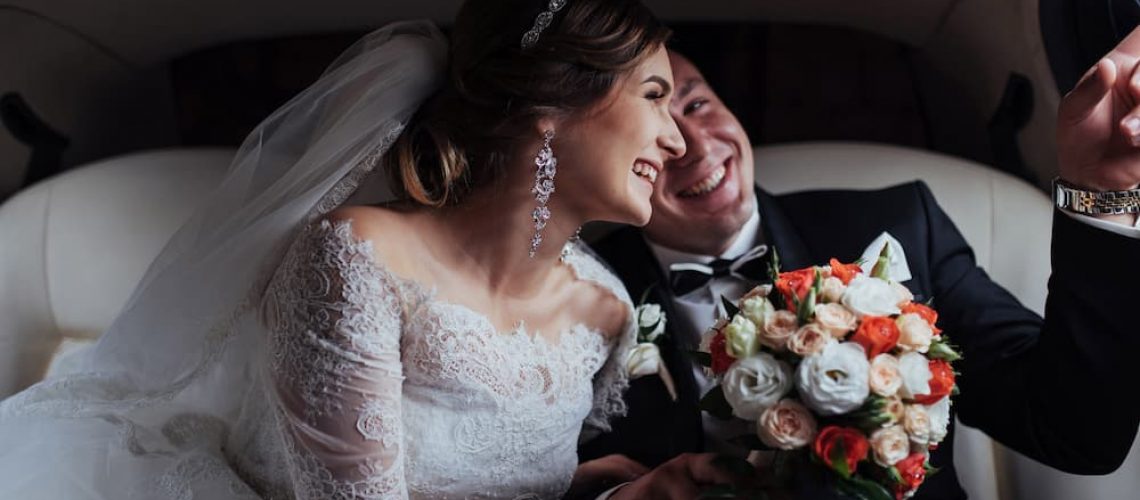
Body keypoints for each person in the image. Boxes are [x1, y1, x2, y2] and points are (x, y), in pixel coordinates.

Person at [0, 1, 747, 498]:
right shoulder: (358, 258)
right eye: (653, 95)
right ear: (553, 102)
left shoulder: (606, 311)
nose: (676, 138)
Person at [578, 33, 1140, 499]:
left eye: (697, 104)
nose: (697, 147)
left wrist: (1100, 194)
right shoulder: (574, 290)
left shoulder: (898, 228)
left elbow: (1075, 431)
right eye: (657, 137)